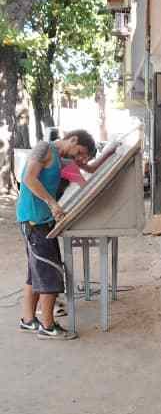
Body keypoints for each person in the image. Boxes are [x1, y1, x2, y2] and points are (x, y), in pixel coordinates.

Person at [16, 129, 96, 340]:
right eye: (79, 151)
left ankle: (28, 320)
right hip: (34, 220)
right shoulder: (45, 148)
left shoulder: (61, 159)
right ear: (73, 139)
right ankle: (48, 326)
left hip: (41, 220)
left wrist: (111, 152)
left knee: (35, 273)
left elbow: (88, 169)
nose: (78, 157)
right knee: (50, 272)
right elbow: (29, 179)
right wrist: (52, 204)